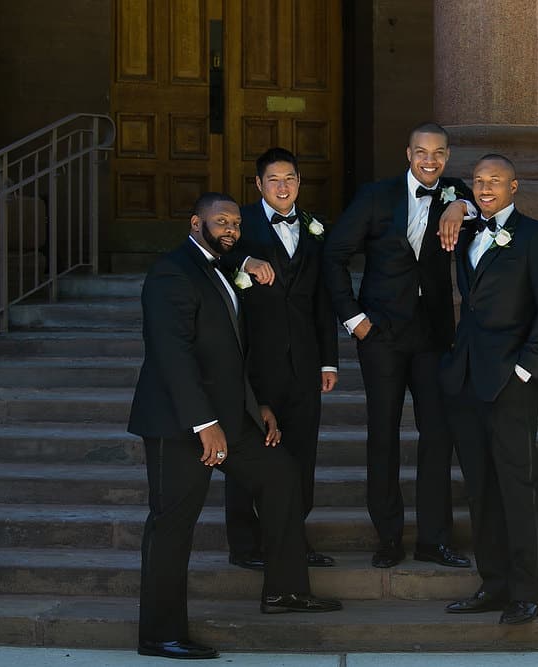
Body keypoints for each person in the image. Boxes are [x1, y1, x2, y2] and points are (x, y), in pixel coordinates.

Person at [128, 192, 341, 661]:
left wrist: (258, 404)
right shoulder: (171, 272)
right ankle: (159, 634)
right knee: (171, 525)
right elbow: (172, 355)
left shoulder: (224, 269)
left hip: (233, 417)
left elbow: (232, 353)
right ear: (195, 223)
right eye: (220, 221)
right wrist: (204, 424)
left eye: (236, 224)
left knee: (282, 475)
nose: (229, 229)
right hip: (179, 424)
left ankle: (284, 592)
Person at [322, 122, 472, 569]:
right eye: (422, 152)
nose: (431, 160)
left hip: (433, 335)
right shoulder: (374, 196)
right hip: (381, 335)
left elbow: (486, 206)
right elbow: (334, 254)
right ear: (408, 153)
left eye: (439, 153)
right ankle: (388, 537)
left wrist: (460, 204)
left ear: (447, 156)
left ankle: (434, 538)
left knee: (438, 435)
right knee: (383, 435)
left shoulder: (456, 191)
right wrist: (354, 320)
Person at [441, 155, 538, 625]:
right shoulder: (466, 229)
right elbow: (446, 192)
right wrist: (458, 205)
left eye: (495, 179)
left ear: (515, 186)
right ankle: (492, 584)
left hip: (512, 381)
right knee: (480, 489)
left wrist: (526, 370)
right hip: (466, 378)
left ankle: (527, 590)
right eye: (478, 180)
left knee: (518, 486)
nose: (485, 186)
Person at [221, 148, 339, 571]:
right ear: (258, 184)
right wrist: (245, 259)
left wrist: (329, 360)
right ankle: (245, 545)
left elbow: (321, 298)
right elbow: (210, 253)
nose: (283, 186)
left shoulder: (314, 227)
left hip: (305, 364)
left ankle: (293, 541)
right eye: (273, 179)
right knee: (248, 453)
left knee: (301, 456)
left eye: (289, 178)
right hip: (255, 363)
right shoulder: (242, 224)